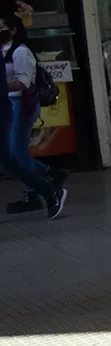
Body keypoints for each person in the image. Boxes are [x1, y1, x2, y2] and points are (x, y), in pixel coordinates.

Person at [1, 13, 66, 219]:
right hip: (8, 102)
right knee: (11, 156)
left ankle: (35, 194)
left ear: (12, 30)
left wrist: (1, 87)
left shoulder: (20, 52)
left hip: (22, 104)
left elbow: (24, 83)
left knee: (16, 154)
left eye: (1, 27)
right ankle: (52, 175)